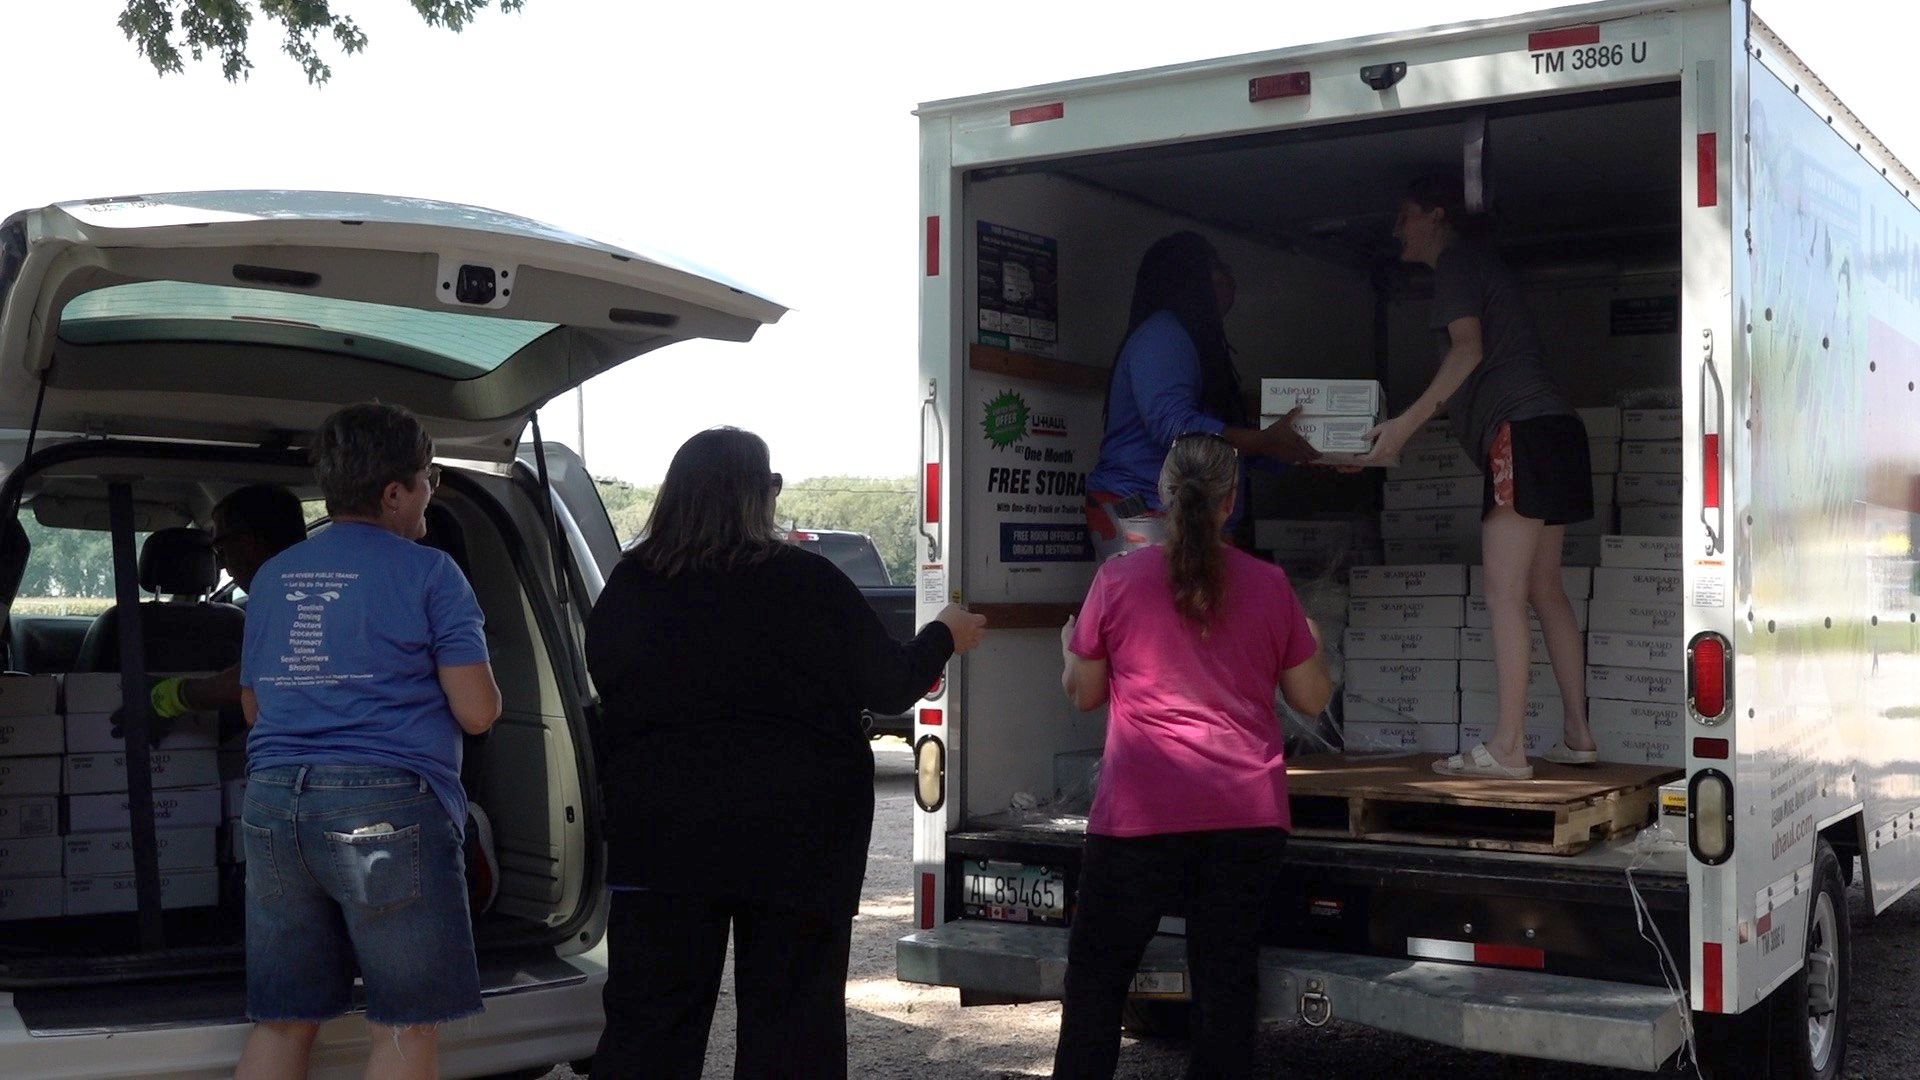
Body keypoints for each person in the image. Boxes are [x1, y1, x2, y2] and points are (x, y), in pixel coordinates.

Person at [584, 427, 987, 1079]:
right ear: (754, 495)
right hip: (799, 842)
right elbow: (888, 684)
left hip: (663, 840)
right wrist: (943, 634)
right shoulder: (806, 582)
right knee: (793, 1027)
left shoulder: (633, 584)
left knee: (650, 1026)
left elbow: (604, 673)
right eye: (770, 485)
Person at [1052, 432, 1334, 1080]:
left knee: (1096, 984)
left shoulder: (1119, 578)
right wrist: (1311, 642)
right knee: (1225, 992)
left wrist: (1071, 647)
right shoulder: (1269, 584)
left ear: (1162, 493)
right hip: (1244, 817)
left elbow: (1085, 692)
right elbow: (1312, 699)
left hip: (1140, 816)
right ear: (1232, 501)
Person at [235, 403, 502, 1080]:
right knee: (405, 1025)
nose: (431, 493)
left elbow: (252, 703)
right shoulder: (432, 573)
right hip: (384, 813)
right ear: (393, 493)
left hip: (273, 805)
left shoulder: (272, 577)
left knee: (284, 1018)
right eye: (427, 480)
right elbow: (476, 712)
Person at [1361, 173, 1597, 779]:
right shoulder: (1480, 267)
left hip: (1523, 431)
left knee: (1503, 592)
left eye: (1403, 216)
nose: (1396, 231)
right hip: (1558, 430)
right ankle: (1578, 735)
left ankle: (1509, 748)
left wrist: (1404, 426)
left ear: (1437, 215)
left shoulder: (1456, 266)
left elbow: (1467, 351)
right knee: (1545, 589)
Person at [1084, 231, 1321, 559]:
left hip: (1186, 518)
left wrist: (1316, 451)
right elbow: (1178, 430)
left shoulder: (1195, 341)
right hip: (1144, 509)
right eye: (1217, 268)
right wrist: (1265, 441)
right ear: (1188, 279)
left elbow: (1224, 438)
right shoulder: (1162, 336)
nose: (1229, 280)